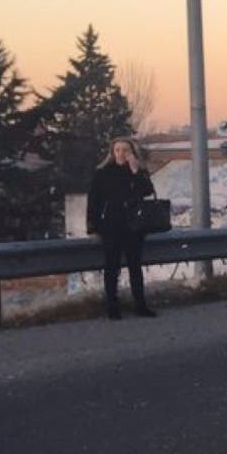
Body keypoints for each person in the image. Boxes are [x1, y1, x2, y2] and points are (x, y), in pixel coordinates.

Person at [86, 137, 157, 319]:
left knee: (135, 266)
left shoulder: (138, 171)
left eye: (125, 150)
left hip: (134, 226)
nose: (121, 154)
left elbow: (148, 191)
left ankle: (140, 305)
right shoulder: (103, 173)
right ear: (112, 152)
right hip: (111, 225)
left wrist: (135, 171)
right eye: (117, 150)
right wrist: (93, 226)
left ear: (132, 152)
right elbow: (94, 201)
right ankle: (112, 307)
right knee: (112, 268)